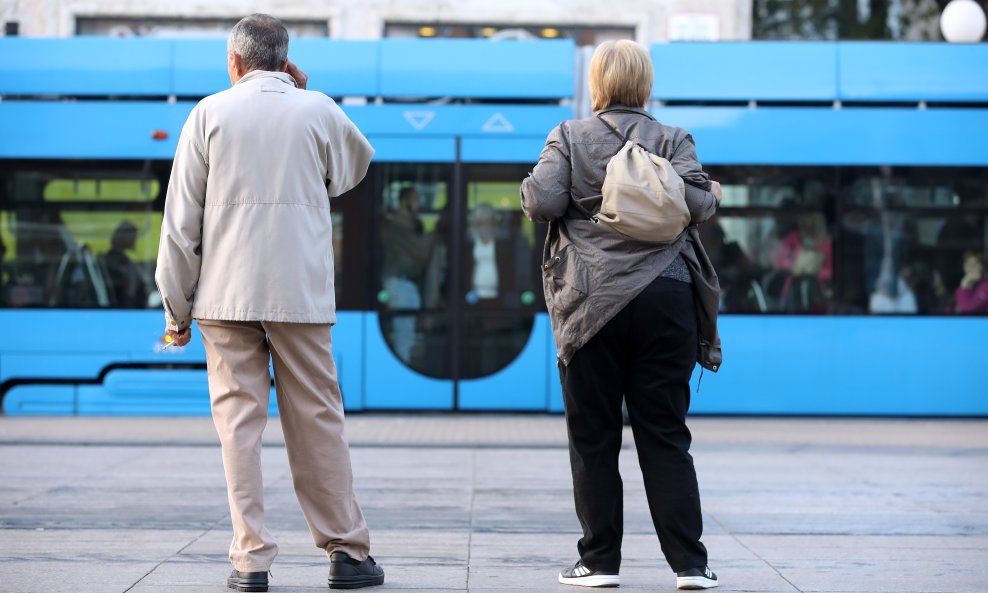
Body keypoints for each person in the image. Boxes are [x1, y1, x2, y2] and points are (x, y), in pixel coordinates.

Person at [154, 14, 382, 592]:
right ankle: (347, 555)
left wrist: (176, 313)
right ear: (286, 62)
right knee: (317, 420)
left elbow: (180, 227)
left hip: (223, 296)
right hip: (299, 293)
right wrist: (304, 97)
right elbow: (352, 169)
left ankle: (250, 559)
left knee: (239, 426)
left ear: (233, 63)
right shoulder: (318, 109)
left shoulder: (208, 113)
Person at [521, 40, 721, 591]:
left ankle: (600, 561)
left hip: (592, 305)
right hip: (668, 298)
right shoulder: (673, 139)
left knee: (594, 436)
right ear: (646, 84)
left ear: (597, 85)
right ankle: (690, 566)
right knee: (664, 433)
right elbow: (701, 206)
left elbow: (541, 203)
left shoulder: (568, 136)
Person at [380, 186, 432, 362]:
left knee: (407, 332)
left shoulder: (410, 224)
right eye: (415, 199)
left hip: (408, 284)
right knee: (404, 333)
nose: (418, 204)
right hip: (399, 284)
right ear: (404, 201)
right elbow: (421, 253)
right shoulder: (396, 225)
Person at [101, 221, 148, 308]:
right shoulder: (114, 262)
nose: (134, 239)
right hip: (123, 307)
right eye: (133, 236)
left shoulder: (124, 261)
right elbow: (128, 291)